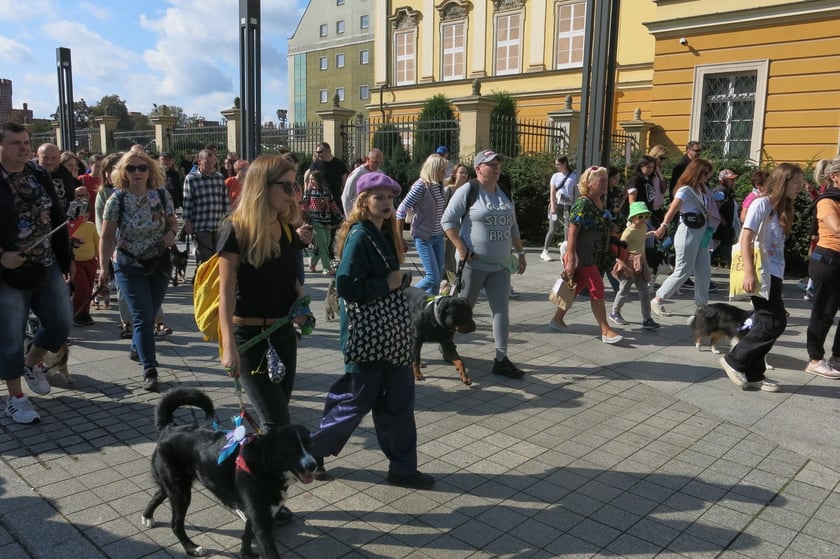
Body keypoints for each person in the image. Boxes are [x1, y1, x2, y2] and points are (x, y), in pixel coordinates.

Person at [310, 171, 434, 490]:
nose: (387, 202)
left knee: (399, 401)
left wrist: (396, 281)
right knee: (357, 399)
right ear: (363, 202)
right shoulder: (359, 235)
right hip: (367, 335)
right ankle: (310, 451)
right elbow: (347, 285)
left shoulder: (384, 232)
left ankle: (403, 469)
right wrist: (387, 283)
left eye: (390, 197)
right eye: (379, 197)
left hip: (390, 336)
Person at [219, 154, 311, 433]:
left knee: (279, 412)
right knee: (276, 421)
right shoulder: (235, 229)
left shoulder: (285, 228)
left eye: (295, 186)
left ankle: (259, 471)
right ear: (262, 186)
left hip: (283, 335)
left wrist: (302, 305)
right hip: (250, 339)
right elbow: (224, 294)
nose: (293, 194)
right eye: (286, 186)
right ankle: (262, 474)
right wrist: (228, 347)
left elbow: (289, 278)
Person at [0, 123, 73, 424]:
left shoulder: (37, 173)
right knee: (10, 337)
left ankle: (32, 364)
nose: (24, 147)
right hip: (9, 273)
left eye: (26, 142)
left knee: (61, 324)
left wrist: (65, 256)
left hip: (46, 264)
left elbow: (54, 212)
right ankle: (16, 398)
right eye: (16, 142)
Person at [441, 150, 528, 378]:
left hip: (500, 265)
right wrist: (460, 246)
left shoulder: (504, 192)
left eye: (498, 163)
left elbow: (513, 225)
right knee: (460, 310)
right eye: (491, 164)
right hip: (473, 264)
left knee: (501, 312)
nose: (497, 166)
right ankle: (446, 344)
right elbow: (447, 220)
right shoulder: (469, 190)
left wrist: (520, 252)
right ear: (479, 168)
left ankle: (501, 359)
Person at [98, 151, 178, 391]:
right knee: (143, 317)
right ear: (122, 172)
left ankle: (137, 347)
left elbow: (173, 222)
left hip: (159, 263)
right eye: (131, 168)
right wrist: (103, 268)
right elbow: (107, 236)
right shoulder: (117, 199)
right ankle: (150, 369)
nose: (137, 173)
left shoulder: (162, 195)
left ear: (150, 171)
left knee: (151, 313)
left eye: (142, 168)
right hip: (128, 264)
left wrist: (171, 234)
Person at [720, 163, 803, 392]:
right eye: (797, 183)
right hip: (760, 272)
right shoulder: (761, 204)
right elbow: (746, 238)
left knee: (766, 320)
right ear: (784, 181)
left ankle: (754, 374)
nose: (800, 187)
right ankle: (735, 360)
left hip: (774, 272)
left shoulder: (781, 208)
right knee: (773, 321)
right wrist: (748, 271)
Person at [547, 166, 624, 345]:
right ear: (588, 183)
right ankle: (605, 329)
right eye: (601, 180)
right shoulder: (584, 202)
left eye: (606, 179)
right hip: (583, 254)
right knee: (597, 287)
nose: (605, 183)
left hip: (594, 253)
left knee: (576, 287)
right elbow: (573, 231)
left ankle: (557, 319)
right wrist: (571, 256)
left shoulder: (600, 201)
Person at [652, 158, 721, 316]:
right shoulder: (685, 190)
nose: (707, 178)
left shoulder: (702, 188)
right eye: (705, 175)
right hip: (688, 232)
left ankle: (702, 305)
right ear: (697, 173)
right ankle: (658, 299)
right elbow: (673, 209)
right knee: (683, 270)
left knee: (704, 270)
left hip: (702, 232)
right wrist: (664, 225)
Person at [804, 156, 840, 379]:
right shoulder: (827, 200)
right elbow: (836, 227)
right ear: (834, 177)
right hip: (829, 260)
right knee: (824, 313)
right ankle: (815, 360)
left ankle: (837, 358)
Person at [397, 154, 448, 294]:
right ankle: (405, 296)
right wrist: (399, 237)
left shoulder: (438, 186)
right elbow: (401, 210)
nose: (444, 173)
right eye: (442, 170)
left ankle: (430, 310)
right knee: (432, 277)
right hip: (423, 237)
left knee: (436, 281)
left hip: (438, 237)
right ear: (433, 170)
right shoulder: (421, 186)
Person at [609, 202, 659, 329]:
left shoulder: (643, 227)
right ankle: (614, 312)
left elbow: (641, 237)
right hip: (628, 261)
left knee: (644, 292)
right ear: (632, 218)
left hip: (640, 262)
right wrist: (622, 265)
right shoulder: (628, 232)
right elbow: (620, 248)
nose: (643, 219)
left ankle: (647, 318)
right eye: (640, 217)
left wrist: (650, 234)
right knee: (624, 290)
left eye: (645, 216)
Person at [182, 149, 230, 272]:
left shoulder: (219, 178)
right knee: (205, 259)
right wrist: (187, 222)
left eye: (213, 162)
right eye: (207, 163)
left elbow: (225, 201)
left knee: (219, 257)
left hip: (218, 225)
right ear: (199, 162)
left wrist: (229, 220)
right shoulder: (191, 178)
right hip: (201, 225)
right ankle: (203, 286)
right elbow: (187, 201)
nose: (210, 165)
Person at [301, 170, 342, 275]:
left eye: (312, 179)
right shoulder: (309, 192)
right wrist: (304, 218)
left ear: (318, 180)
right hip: (315, 221)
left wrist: (340, 217)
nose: (310, 181)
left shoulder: (327, 191)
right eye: (309, 179)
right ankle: (327, 268)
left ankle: (313, 261)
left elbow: (333, 205)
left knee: (326, 242)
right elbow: (304, 207)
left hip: (327, 221)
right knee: (323, 244)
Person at [69, 186, 99, 327]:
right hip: (76, 262)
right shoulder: (70, 226)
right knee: (82, 288)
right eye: (82, 216)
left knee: (89, 288)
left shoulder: (91, 226)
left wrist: (100, 261)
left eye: (87, 216)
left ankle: (85, 313)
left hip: (90, 261)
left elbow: (97, 243)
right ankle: (76, 313)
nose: (84, 219)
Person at [541, 156, 577, 261]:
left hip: (568, 205)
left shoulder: (573, 176)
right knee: (552, 228)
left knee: (567, 229)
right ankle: (545, 251)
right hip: (557, 204)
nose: (556, 166)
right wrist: (552, 205)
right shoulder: (555, 176)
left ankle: (566, 253)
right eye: (556, 164)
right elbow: (552, 191)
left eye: (558, 164)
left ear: (564, 163)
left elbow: (575, 192)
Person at [441, 163, 470, 291]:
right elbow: (442, 210)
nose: (464, 175)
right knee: (450, 257)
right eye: (461, 172)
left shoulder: (468, 189)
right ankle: (454, 285)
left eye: (465, 173)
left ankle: (444, 284)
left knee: (454, 256)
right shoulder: (448, 189)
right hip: (449, 229)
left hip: (462, 228)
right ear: (454, 174)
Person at [37, 142, 80, 211]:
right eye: (45, 158)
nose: (49, 161)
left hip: (64, 218)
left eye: (53, 158)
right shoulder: (32, 174)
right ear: (38, 157)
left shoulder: (65, 173)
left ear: (59, 158)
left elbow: (72, 196)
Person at [711, 169, 740, 267]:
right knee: (723, 250)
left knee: (714, 250)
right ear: (724, 180)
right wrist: (724, 223)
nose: (733, 182)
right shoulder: (720, 192)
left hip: (724, 230)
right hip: (719, 230)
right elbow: (715, 209)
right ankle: (736, 269)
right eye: (731, 180)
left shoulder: (727, 192)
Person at [341, 148, 383, 213]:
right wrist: (349, 217)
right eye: (375, 162)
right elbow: (346, 196)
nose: (377, 165)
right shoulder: (357, 174)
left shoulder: (380, 174)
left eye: (379, 163)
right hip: (358, 212)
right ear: (368, 159)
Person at [78, 153, 104, 220]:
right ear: (90, 166)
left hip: (101, 218)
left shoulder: (106, 181)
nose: (100, 170)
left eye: (102, 167)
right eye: (97, 167)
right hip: (86, 219)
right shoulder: (82, 179)